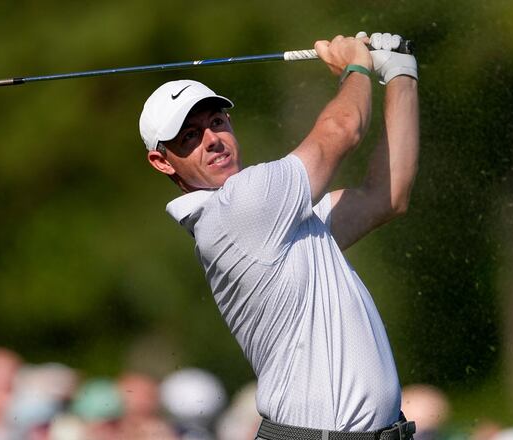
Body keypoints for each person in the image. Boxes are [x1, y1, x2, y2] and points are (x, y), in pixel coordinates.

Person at [139, 31, 419, 440]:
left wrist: (400, 73)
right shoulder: (238, 207)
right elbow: (342, 130)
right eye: (189, 137)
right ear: (163, 162)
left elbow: (387, 196)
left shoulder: (278, 219)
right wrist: (355, 67)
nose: (212, 140)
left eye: (216, 122)